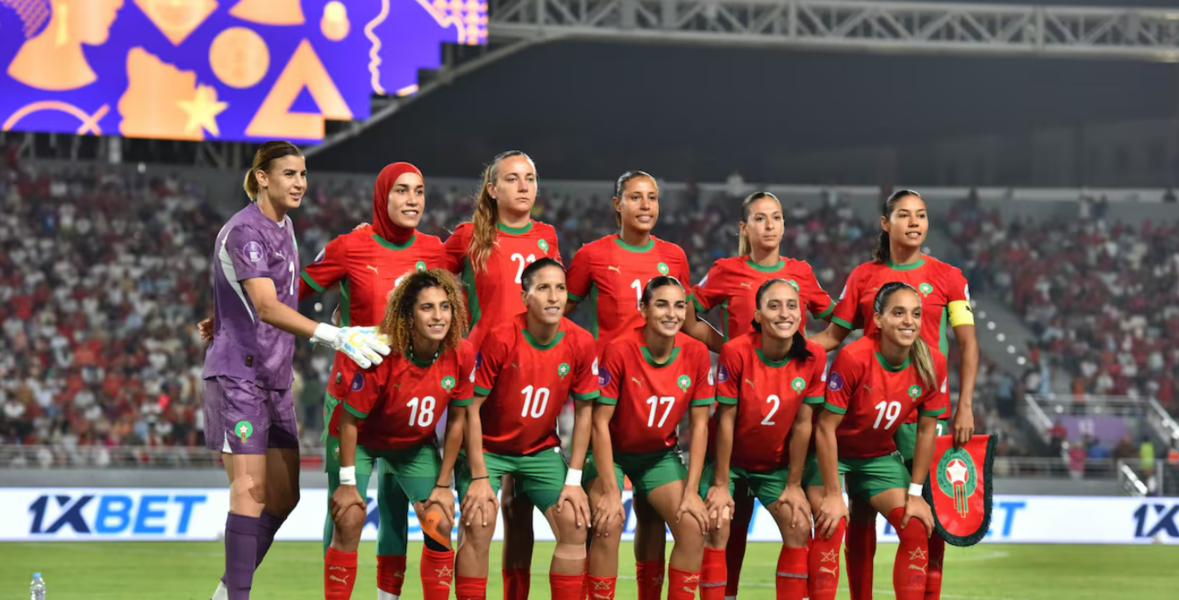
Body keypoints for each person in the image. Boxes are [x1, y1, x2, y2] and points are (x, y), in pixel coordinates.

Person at [202, 141, 390, 600]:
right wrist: (335, 335)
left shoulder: (283, 227)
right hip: (238, 378)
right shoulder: (245, 231)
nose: (300, 183)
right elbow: (266, 307)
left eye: (303, 174)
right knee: (250, 490)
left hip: (275, 379)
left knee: (285, 498)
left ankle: (227, 591)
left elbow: (272, 293)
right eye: (289, 173)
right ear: (262, 177)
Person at [811, 189, 978, 600]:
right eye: (904, 215)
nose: (915, 222)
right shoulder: (862, 277)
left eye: (921, 215)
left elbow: (968, 344)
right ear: (886, 224)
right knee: (861, 514)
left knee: (930, 520)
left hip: (922, 412)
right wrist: (776, 351)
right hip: (866, 414)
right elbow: (834, 335)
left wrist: (965, 406)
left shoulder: (950, 277)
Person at [565, 170, 718, 597]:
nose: (646, 205)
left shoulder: (674, 257)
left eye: (652, 197)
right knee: (608, 521)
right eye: (636, 197)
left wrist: (741, 348)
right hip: (609, 412)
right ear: (618, 204)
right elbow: (560, 314)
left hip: (657, 421)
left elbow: (689, 324)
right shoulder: (592, 255)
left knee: (682, 525)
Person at [298, 162, 448, 600]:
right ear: (382, 197)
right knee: (345, 507)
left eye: (419, 191)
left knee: (407, 509)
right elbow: (290, 294)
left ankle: (389, 597)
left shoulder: (437, 252)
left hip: (409, 410)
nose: (412, 200)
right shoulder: (350, 247)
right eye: (401, 191)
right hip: (353, 406)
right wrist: (331, 334)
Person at [690, 191, 834, 599]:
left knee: (795, 522)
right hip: (739, 400)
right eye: (759, 219)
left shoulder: (801, 273)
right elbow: (686, 312)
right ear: (745, 228)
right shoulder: (725, 270)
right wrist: (727, 346)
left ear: (785, 225)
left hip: (780, 423)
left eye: (776, 218)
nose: (769, 226)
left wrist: (806, 348)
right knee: (726, 522)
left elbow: (839, 319)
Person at [443, 150, 562, 598]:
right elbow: (423, 272)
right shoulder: (469, 236)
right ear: (492, 189)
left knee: (521, 511)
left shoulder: (547, 236)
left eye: (530, 177)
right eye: (512, 179)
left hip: (533, 377)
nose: (524, 186)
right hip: (481, 380)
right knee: (479, 514)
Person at [452, 258, 598, 600]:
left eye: (560, 288)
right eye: (543, 288)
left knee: (575, 524)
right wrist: (477, 477)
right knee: (479, 521)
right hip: (488, 449)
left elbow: (586, 411)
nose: (554, 297)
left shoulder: (580, 341)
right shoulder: (500, 337)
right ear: (525, 297)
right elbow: (470, 408)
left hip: (540, 451)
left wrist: (574, 480)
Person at [325, 269, 474, 600]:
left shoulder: (461, 353)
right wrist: (348, 486)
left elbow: (456, 422)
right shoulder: (383, 355)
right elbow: (349, 422)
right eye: (427, 308)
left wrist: (443, 486)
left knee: (439, 520)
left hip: (412, 445)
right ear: (408, 314)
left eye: (445, 306)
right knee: (349, 518)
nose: (438, 316)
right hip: (361, 440)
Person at [806, 282, 946, 600]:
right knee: (832, 522)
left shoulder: (933, 363)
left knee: (915, 525)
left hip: (878, 455)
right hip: (831, 452)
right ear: (879, 320)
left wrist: (915, 493)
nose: (908, 321)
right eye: (898, 313)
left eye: (915, 314)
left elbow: (926, 430)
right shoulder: (855, 357)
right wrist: (832, 493)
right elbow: (825, 427)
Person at [585, 276, 714, 600]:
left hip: (658, 456)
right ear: (643, 308)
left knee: (692, 525)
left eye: (679, 305)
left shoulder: (696, 353)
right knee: (608, 521)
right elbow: (599, 423)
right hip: (610, 453)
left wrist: (692, 491)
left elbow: (700, 426)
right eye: (661, 304)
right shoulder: (619, 349)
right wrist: (612, 491)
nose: (672, 313)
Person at [702, 279, 828, 600]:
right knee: (717, 524)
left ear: (801, 313)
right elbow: (725, 419)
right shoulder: (735, 351)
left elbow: (803, 425)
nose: (784, 313)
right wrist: (719, 483)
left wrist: (794, 484)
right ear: (757, 315)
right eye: (774, 306)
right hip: (728, 463)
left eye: (791, 305)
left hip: (773, 467)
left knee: (799, 525)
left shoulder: (814, 356)